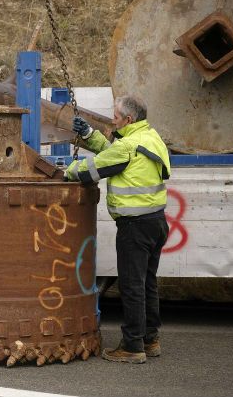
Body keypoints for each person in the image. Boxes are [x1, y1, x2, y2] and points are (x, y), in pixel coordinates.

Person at [65, 95, 171, 364]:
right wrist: (90, 135)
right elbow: (115, 151)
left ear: (128, 119)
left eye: (115, 116)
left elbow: (92, 169)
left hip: (135, 227)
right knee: (147, 283)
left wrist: (66, 171)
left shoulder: (128, 147)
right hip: (156, 222)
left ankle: (133, 346)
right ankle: (150, 339)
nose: (112, 120)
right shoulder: (149, 136)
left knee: (132, 286)